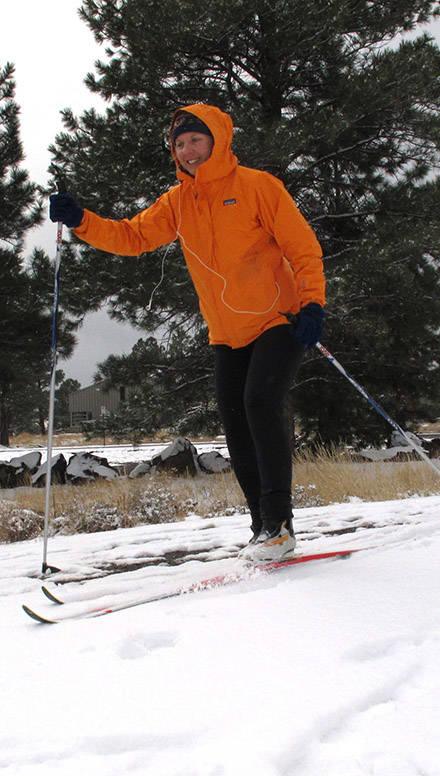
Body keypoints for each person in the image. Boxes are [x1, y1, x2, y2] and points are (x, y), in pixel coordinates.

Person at [49, 103, 326, 561]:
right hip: (226, 333)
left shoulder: (258, 186)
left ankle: (278, 523)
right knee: (237, 425)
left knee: (261, 402)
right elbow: (130, 236)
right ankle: (263, 528)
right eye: (179, 144)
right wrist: (80, 219)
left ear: (217, 139)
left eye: (196, 140)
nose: (189, 151)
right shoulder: (178, 202)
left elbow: (302, 246)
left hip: (281, 319)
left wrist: (313, 302)